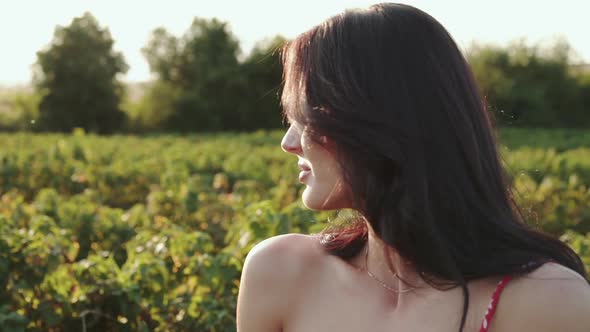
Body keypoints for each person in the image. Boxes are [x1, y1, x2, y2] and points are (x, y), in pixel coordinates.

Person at [236, 3, 590, 332]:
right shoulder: (279, 272)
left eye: (306, 119)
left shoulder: (548, 301)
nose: (289, 142)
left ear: (378, 124)